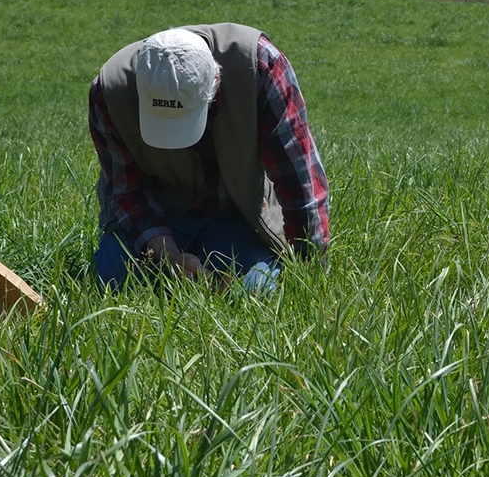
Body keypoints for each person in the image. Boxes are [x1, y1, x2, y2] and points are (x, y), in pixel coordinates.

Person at [89, 23, 329, 292]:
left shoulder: (260, 68)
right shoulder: (110, 90)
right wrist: (167, 255)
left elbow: (299, 182)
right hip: (159, 214)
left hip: (240, 216)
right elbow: (126, 191)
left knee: (255, 291)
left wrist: (309, 276)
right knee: (112, 283)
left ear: (216, 80)